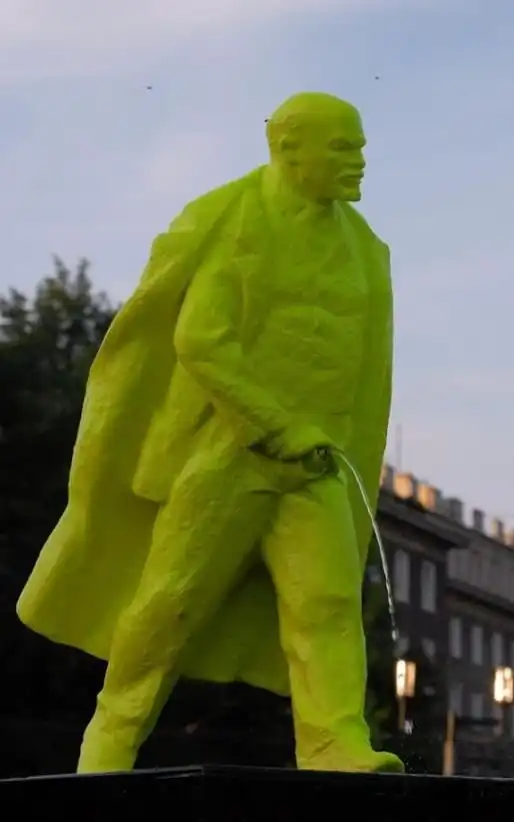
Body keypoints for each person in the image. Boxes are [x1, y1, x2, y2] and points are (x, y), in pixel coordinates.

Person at [16, 91, 403, 775]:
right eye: (344, 147)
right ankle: (111, 740)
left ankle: (331, 744)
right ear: (289, 150)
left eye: (360, 146)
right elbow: (201, 340)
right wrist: (276, 424)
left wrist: (327, 438)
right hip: (228, 452)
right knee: (171, 603)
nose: (360, 160)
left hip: (315, 463)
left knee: (330, 603)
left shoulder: (365, 250)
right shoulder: (234, 221)